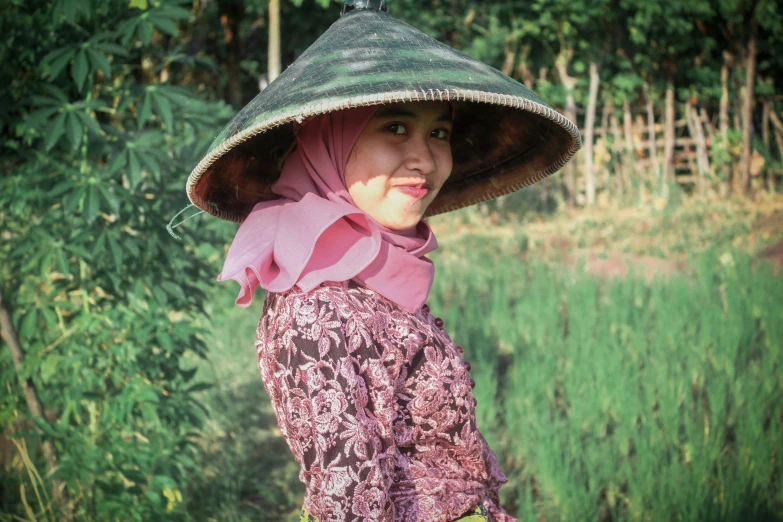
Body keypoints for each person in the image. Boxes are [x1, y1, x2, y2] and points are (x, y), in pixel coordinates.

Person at [184, 2, 580, 520]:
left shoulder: (373, 276)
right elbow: (350, 501)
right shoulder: (315, 311)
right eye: (395, 127)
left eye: (439, 133)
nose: (425, 157)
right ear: (329, 142)